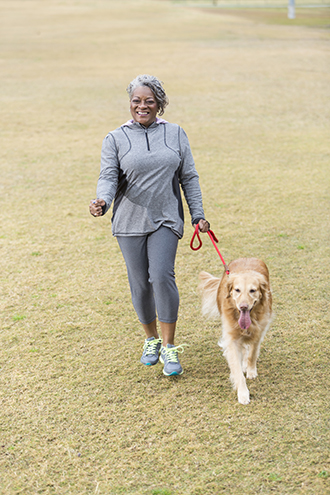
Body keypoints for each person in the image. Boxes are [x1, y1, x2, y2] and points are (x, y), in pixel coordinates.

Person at [89, 74, 209, 376]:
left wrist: (197, 214)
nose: (142, 106)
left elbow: (189, 177)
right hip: (129, 221)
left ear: (159, 104)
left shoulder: (176, 133)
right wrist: (102, 201)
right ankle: (151, 340)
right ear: (130, 104)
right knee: (140, 283)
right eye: (136, 101)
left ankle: (169, 348)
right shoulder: (115, 138)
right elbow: (108, 177)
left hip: (166, 218)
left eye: (149, 101)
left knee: (161, 276)